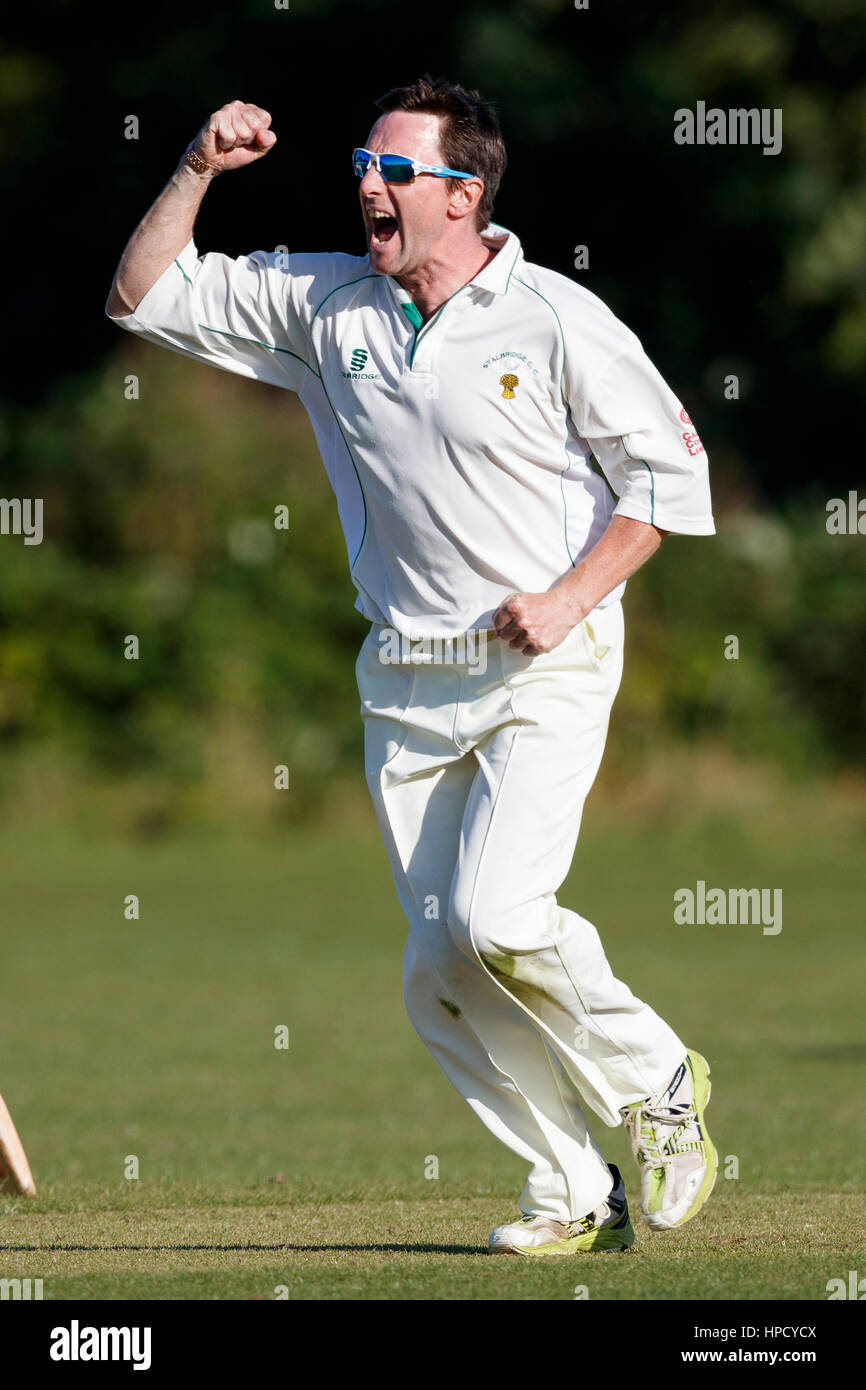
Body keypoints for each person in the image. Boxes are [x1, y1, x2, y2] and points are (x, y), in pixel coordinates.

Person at [106, 77, 717, 1257]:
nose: (365, 186)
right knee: (436, 969)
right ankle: (572, 1193)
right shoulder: (327, 304)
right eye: (360, 164)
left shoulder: (554, 318)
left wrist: (566, 597)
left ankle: (656, 1080)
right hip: (404, 679)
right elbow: (140, 295)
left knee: (497, 914)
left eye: (394, 170)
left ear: (464, 193)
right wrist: (192, 166)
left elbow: (662, 486)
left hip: (545, 661)